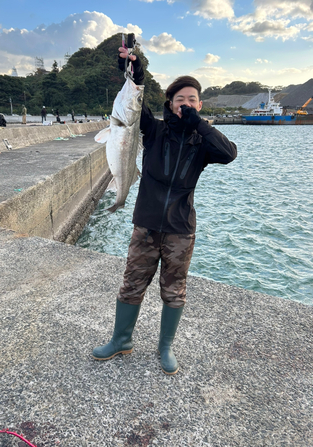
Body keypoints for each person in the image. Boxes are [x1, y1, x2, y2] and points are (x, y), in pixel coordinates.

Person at [92, 47, 237, 375]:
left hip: (179, 230)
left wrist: (200, 125)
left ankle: (165, 347)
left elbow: (229, 153)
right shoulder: (155, 131)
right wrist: (134, 71)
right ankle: (121, 340)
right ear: (170, 104)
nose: (185, 104)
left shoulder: (203, 144)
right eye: (179, 99)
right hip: (145, 224)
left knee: (173, 290)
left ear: (199, 106)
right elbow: (132, 108)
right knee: (131, 284)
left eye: (192, 99)